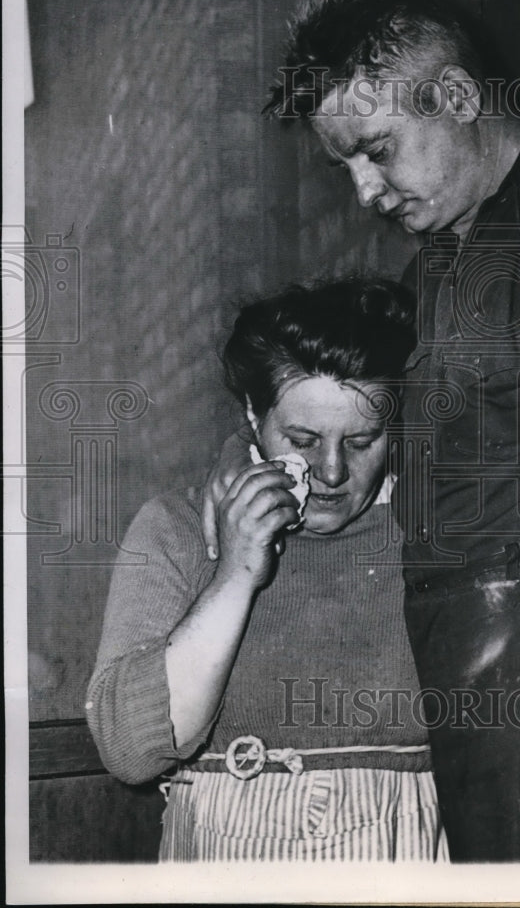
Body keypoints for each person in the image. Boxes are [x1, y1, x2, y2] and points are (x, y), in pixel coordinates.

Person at [203, 0, 520, 862]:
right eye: (344, 166)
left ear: (457, 97)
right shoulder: (434, 267)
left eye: (377, 150)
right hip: (462, 668)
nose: (363, 191)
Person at [86, 277, 448, 863]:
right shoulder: (176, 528)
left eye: (362, 441)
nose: (331, 472)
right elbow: (129, 750)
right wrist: (234, 573)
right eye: (303, 439)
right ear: (253, 415)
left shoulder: (434, 532)